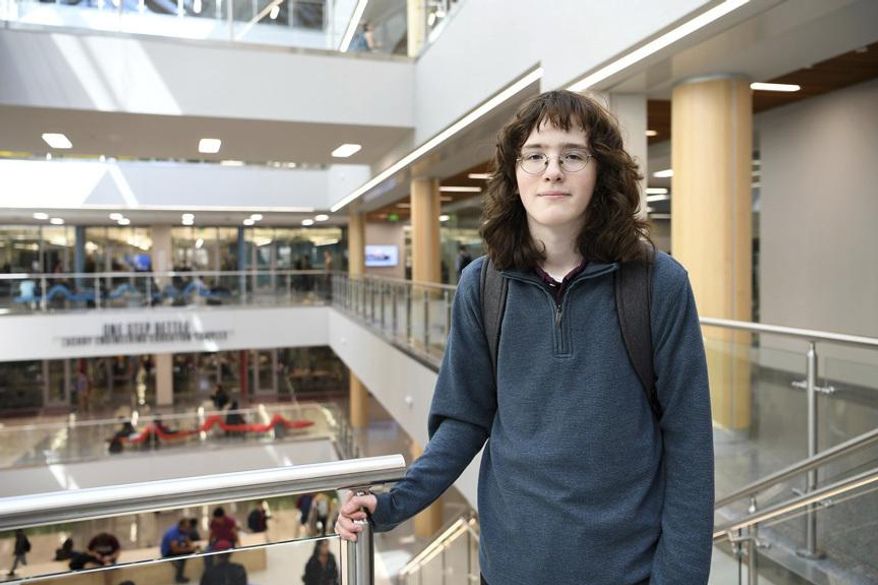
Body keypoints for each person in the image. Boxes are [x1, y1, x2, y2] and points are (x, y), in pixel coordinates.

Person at [335, 90, 714, 585]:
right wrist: (392, 503)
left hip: (627, 573)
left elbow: (689, 448)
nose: (552, 171)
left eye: (572, 155)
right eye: (535, 156)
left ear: (601, 171)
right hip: (509, 569)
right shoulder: (483, 284)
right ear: (514, 176)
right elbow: (465, 421)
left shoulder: (657, 284)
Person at [161, 518, 198, 583]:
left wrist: (192, 547)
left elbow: (187, 541)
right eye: (186, 527)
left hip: (177, 547)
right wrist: (188, 549)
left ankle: (179, 569)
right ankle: (178, 577)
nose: (188, 529)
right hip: (167, 552)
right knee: (183, 557)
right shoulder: (173, 532)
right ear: (181, 526)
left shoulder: (184, 530)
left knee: (191, 551)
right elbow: (175, 550)